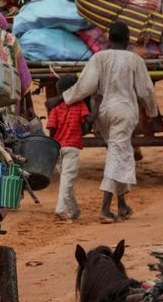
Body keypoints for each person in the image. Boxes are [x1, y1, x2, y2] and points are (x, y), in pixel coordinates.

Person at [47, 22, 158, 224]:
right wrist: (152, 111)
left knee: (118, 151)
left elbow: (85, 86)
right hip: (124, 111)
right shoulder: (134, 60)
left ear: (109, 40)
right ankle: (106, 209)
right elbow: (146, 91)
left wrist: (62, 98)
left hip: (103, 113)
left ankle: (122, 205)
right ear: (127, 40)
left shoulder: (99, 57)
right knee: (118, 153)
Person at [49, 76, 98, 221]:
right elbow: (88, 121)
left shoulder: (56, 108)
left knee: (66, 180)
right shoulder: (80, 105)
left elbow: (52, 127)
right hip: (72, 147)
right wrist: (98, 103)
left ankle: (74, 210)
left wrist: (53, 146)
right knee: (67, 180)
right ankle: (60, 208)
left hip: (58, 147)